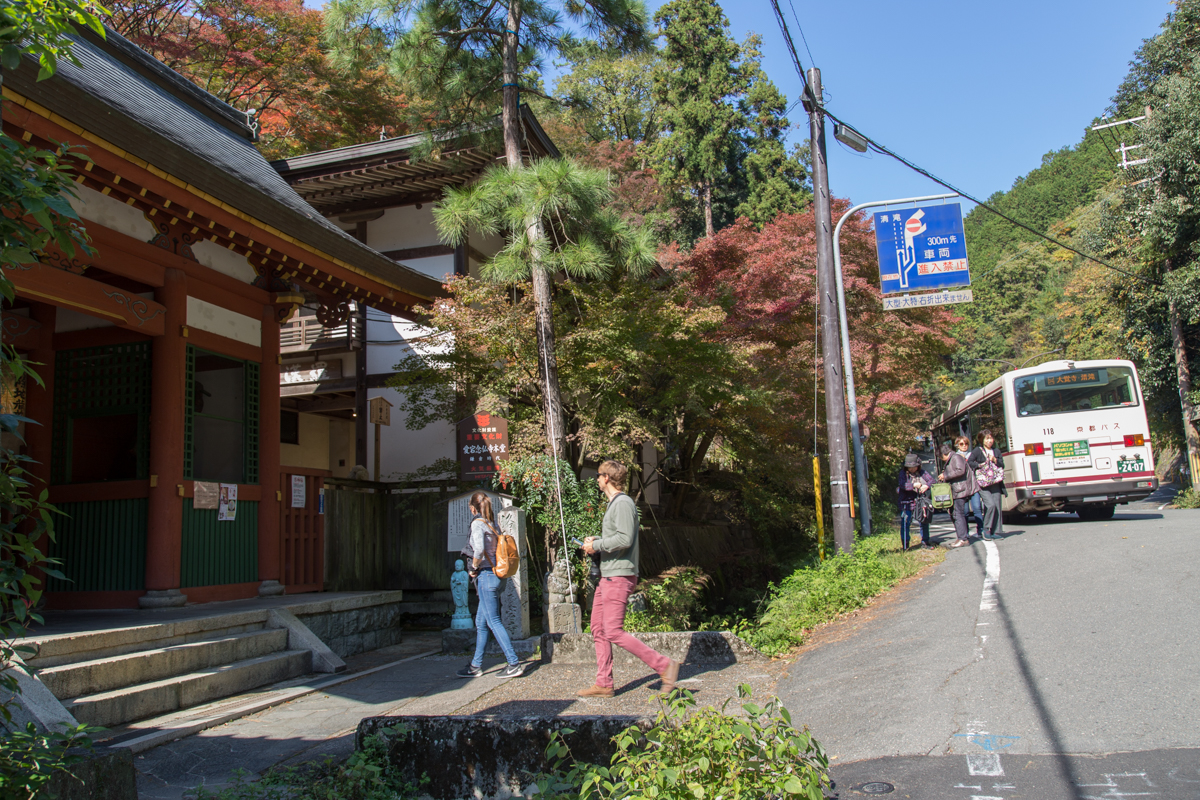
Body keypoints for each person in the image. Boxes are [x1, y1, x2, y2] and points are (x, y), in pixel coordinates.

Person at [579, 459, 680, 698]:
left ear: (606, 478)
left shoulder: (623, 503)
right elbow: (618, 537)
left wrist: (598, 545)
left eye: (598, 476)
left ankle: (664, 666)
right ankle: (604, 683)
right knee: (598, 628)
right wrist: (597, 542)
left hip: (620, 575)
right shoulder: (616, 504)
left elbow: (624, 539)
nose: (596, 480)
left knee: (612, 630)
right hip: (610, 575)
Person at [456, 492, 526, 679]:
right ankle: (475, 665)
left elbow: (478, 550)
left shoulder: (477, 524)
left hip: (486, 576)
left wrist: (474, 568)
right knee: (481, 622)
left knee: (493, 621)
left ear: (472, 508)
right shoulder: (493, 524)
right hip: (498, 577)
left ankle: (513, 663)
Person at [938, 436, 977, 548]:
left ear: (943, 454)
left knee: (958, 514)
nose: (941, 459)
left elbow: (960, 471)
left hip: (961, 490)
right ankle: (962, 537)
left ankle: (963, 538)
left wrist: (945, 475)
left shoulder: (956, 458)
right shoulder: (954, 458)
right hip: (958, 489)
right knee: (956, 514)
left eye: (941, 457)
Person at [968, 429, 1006, 540]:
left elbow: (1002, 464)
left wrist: (994, 459)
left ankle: (994, 531)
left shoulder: (996, 451)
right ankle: (986, 529)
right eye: (987, 438)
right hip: (983, 483)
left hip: (995, 482)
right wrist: (980, 465)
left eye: (991, 438)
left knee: (997, 506)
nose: (990, 441)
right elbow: (970, 462)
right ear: (982, 440)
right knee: (991, 505)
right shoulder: (977, 451)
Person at [897, 453, 934, 549]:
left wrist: (927, 485)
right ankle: (905, 545)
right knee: (905, 522)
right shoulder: (903, 474)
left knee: (924, 521)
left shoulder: (922, 472)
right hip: (906, 501)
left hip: (920, 501)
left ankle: (925, 542)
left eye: (914, 467)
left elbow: (932, 481)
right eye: (909, 467)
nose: (912, 469)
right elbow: (903, 485)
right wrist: (914, 485)